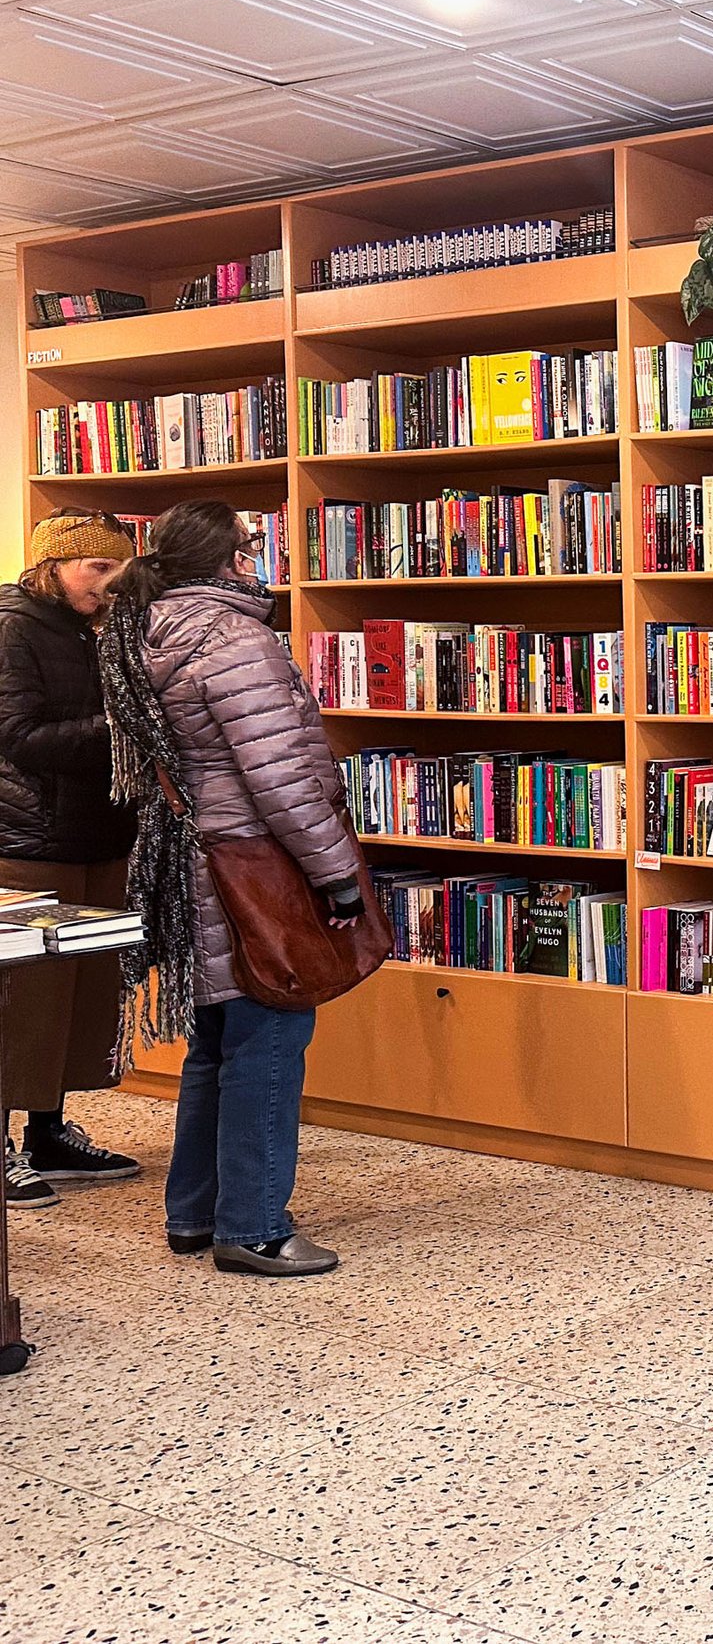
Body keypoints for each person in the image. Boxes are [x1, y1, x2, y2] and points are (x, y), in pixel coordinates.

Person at [97, 501, 363, 1277]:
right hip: (252, 860)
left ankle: (195, 1211)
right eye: (250, 548)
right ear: (230, 559)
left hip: (192, 856)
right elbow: (280, 777)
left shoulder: (145, 629)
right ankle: (253, 1227)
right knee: (270, 1033)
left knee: (216, 1040)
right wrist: (337, 874)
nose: (257, 560)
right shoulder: (232, 637)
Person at [0, 511, 141, 1208]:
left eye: (120, 569)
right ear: (53, 565)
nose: (110, 583)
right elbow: (17, 736)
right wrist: (119, 729)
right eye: (98, 567)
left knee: (78, 1000)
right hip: (31, 843)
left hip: (97, 835)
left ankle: (48, 1133)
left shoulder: (98, 628)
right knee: (24, 1004)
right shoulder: (13, 627)